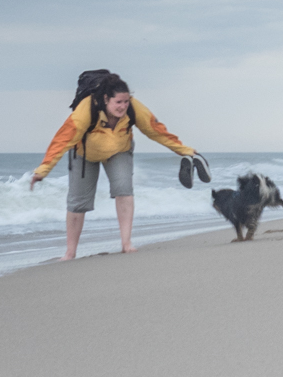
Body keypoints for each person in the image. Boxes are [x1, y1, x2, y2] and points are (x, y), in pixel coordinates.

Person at [27, 74, 198, 260]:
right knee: (78, 203)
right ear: (106, 99)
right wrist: (43, 170)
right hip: (85, 154)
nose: (123, 106)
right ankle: (70, 252)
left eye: (126, 101)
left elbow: (156, 131)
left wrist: (185, 151)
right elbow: (62, 141)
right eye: (118, 102)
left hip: (119, 151)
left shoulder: (133, 108)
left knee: (124, 190)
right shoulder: (86, 111)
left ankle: (126, 243)